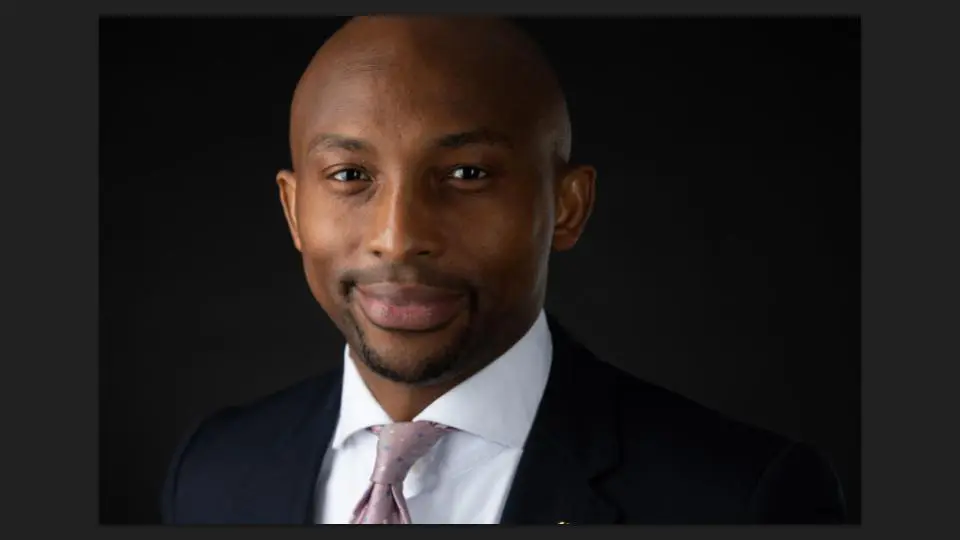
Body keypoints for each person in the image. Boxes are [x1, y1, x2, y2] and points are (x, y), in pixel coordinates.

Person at [160, 16, 846, 525]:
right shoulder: (211, 472)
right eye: (349, 175)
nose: (398, 238)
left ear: (568, 206)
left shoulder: (743, 498)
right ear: (293, 208)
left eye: (466, 173)